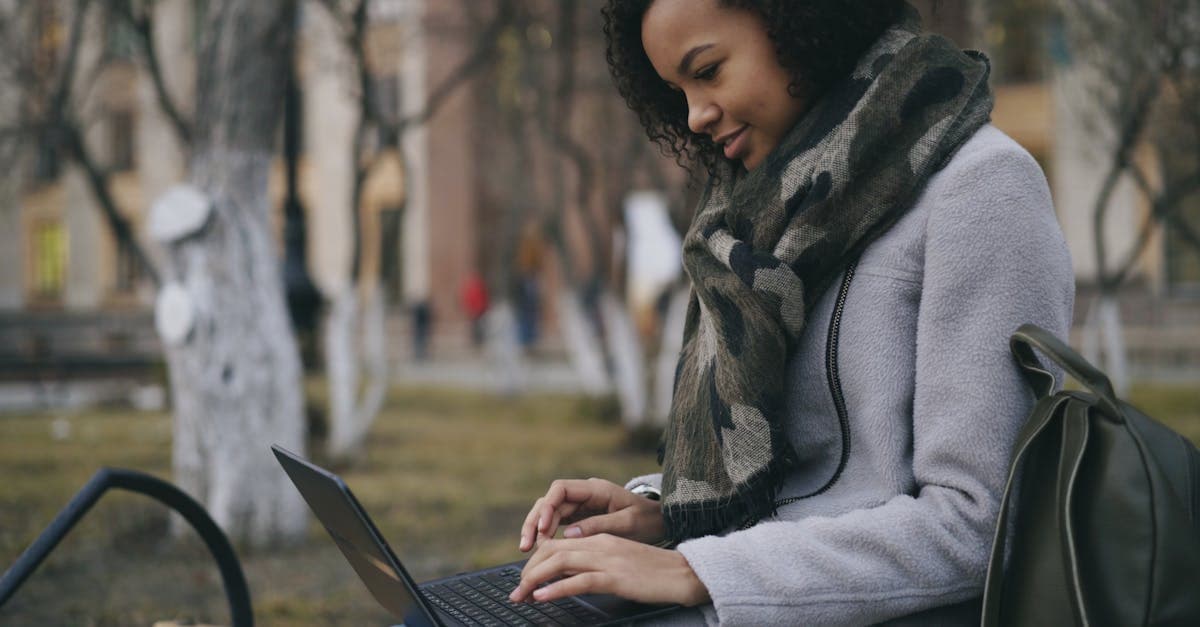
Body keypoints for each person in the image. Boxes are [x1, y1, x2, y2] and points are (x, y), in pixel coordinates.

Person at [509, 0, 1074, 625]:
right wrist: (663, 512)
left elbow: (980, 525)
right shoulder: (761, 215)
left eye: (709, 70)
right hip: (759, 591)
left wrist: (697, 570)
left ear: (798, 24)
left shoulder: (982, 188)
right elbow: (807, 474)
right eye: (678, 90)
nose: (695, 116)